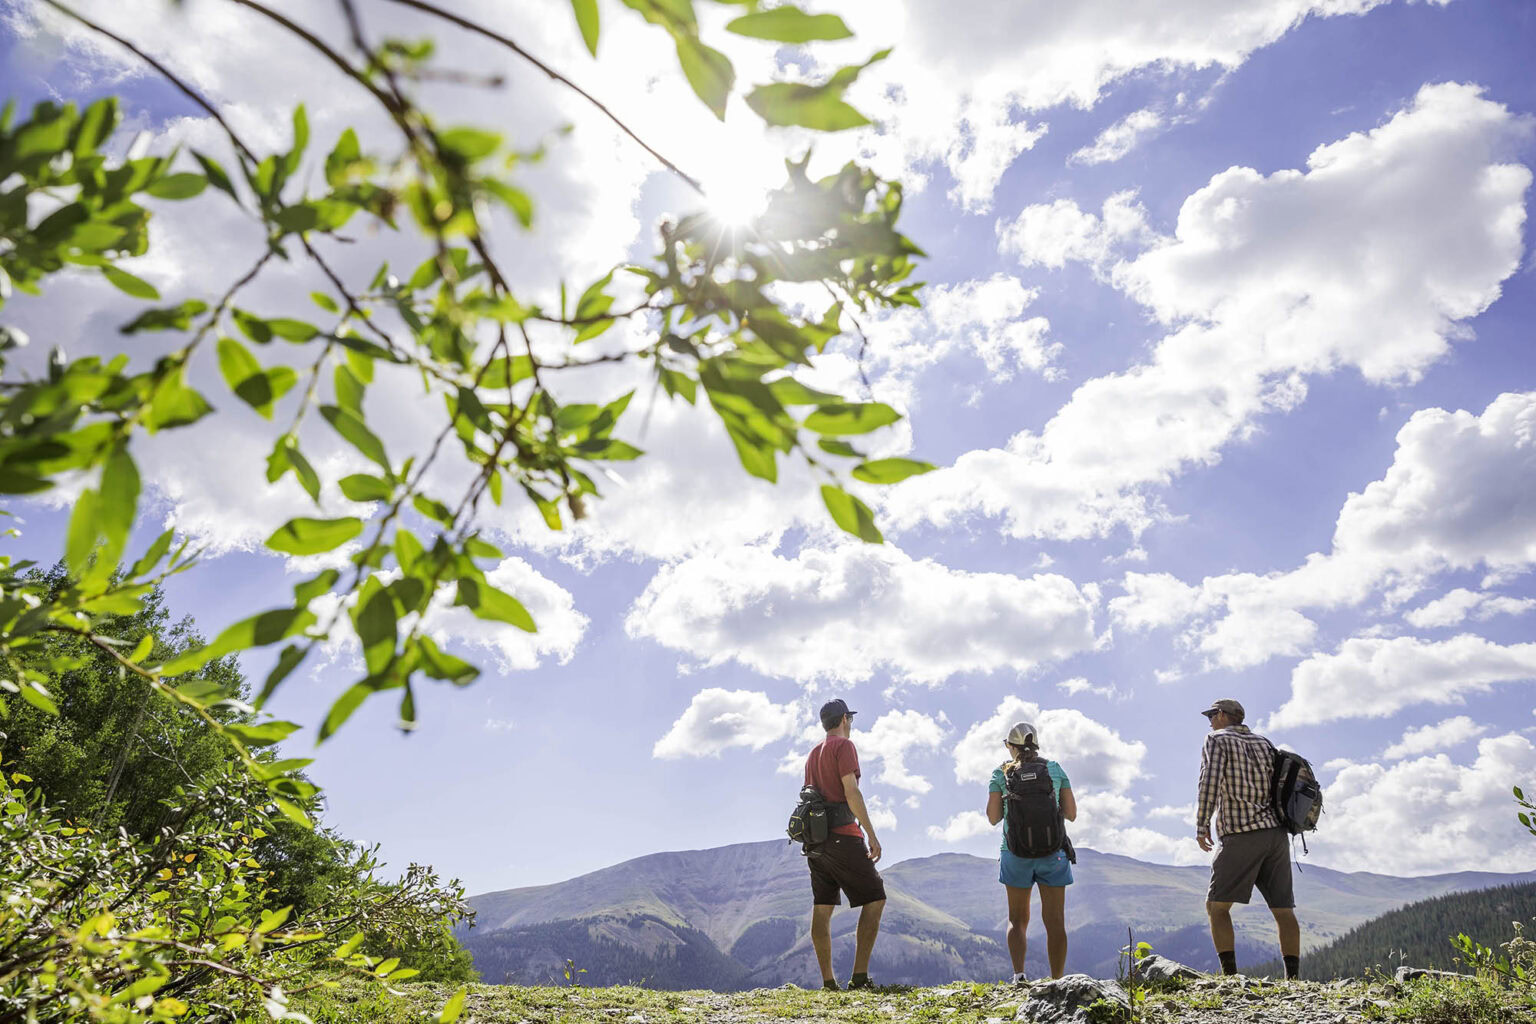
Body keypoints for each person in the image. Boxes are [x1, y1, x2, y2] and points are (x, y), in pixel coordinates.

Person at [1195, 698, 1301, 980]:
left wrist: (1202, 823)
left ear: (1220, 715)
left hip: (1241, 833)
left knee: (1216, 907)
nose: (1209, 721)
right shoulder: (1264, 743)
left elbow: (1209, 781)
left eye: (1211, 715)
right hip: (1276, 835)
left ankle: (1230, 978)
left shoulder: (1216, 740)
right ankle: (1293, 979)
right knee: (1283, 909)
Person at [804, 698, 886, 991]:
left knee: (822, 907)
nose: (851, 724)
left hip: (816, 842)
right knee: (875, 898)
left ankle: (828, 982)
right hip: (842, 835)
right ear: (843, 720)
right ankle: (860, 977)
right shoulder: (844, 747)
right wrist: (871, 835)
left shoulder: (813, 754)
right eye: (850, 719)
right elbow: (851, 792)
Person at [986, 721, 1076, 983]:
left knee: (1016, 919)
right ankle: (1058, 980)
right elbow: (1071, 814)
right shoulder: (1054, 769)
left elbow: (993, 818)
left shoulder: (1000, 773)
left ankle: (1019, 975)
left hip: (1015, 854)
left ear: (1011, 746)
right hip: (1054, 853)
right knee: (1055, 921)